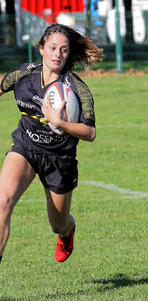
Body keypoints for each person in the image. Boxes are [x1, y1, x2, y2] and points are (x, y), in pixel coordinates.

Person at [0, 23, 104, 264]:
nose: (57, 54)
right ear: (41, 49)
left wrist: (60, 122)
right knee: (2, 203)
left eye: (64, 50)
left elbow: (90, 132)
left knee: (58, 223)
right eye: (53, 48)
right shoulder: (23, 74)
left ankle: (68, 231)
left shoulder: (78, 89)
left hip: (59, 158)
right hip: (25, 147)